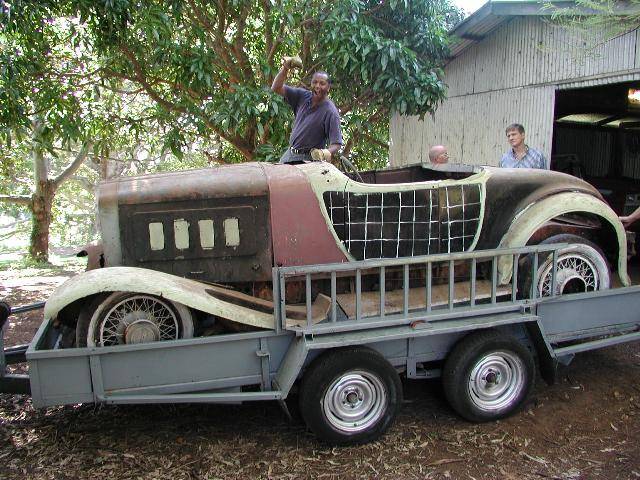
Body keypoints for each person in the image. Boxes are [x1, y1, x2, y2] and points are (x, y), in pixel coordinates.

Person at [271, 56, 343, 164]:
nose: (317, 86)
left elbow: (336, 144)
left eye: (322, 83)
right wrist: (285, 68)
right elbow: (276, 87)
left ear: (328, 87)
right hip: (290, 154)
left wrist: (324, 153)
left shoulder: (330, 112)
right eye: (315, 82)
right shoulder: (303, 96)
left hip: (307, 160)